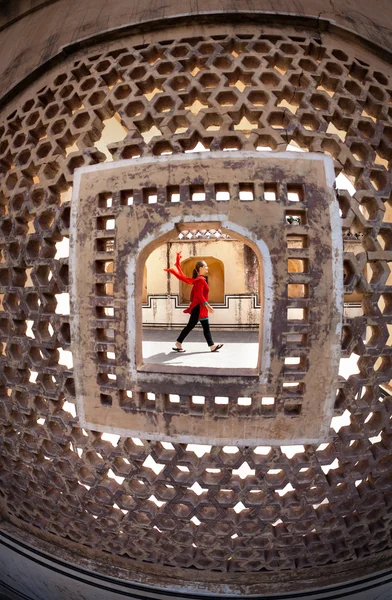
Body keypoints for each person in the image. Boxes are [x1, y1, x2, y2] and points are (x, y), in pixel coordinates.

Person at [164, 252, 223, 352]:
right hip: (199, 308)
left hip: (200, 307)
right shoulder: (200, 280)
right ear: (200, 268)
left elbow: (194, 293)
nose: (207, 268)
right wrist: (208, 305)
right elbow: (199, 295)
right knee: (192, 326)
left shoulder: (199, 280)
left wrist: (194, 302)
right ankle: (179, 343)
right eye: (206, 266)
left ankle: (211, 346)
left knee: (204, 327)